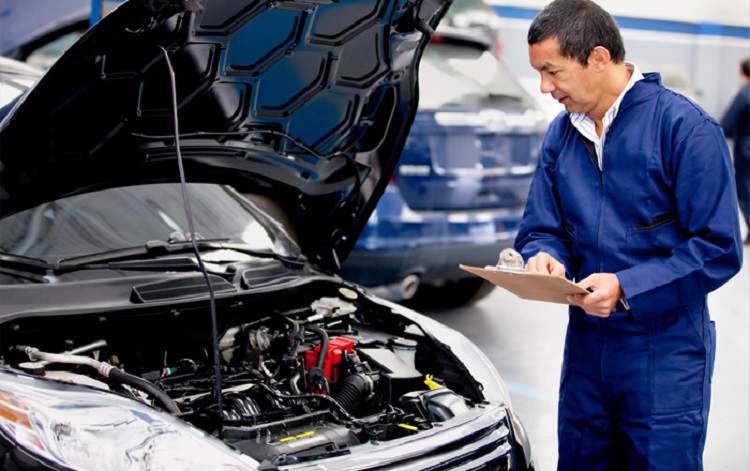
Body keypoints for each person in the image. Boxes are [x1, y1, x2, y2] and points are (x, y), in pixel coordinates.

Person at [513, 1, 744, 470]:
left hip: (664, 352)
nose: (544, 87)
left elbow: (718, 247)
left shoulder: (685, 130)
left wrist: (627, 289)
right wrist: (544, 256)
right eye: (538, 73)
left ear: (598, 57)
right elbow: (542, 226)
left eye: (552, 71)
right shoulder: (562, 135)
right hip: (586, 349)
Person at [720, 57, 750, 243]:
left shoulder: (744, 95)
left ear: (741, 73)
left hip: (746, 152)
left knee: (745, 190)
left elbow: (727, 124)